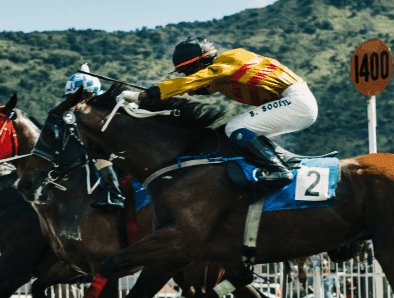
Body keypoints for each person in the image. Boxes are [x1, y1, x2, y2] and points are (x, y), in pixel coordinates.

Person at [119, 37, 318, 188]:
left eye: (190, 70)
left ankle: (278, 170)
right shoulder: (225, 71)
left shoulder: (227, 61)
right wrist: (185, 89)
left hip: (295, 101)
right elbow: (203, 86)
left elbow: (192, 82)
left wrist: (141, 96)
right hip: (294, 101)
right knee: (246, 132)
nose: (190, 75)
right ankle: (282, 161)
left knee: (235, 128)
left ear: (202, 62)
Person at [63, 64, 125, 212]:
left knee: (98, 154)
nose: (72, 102)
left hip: (122, 150)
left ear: (88, 95)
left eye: (76, 98)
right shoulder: (78, 110)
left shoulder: (108, 105)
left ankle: (116, 196)